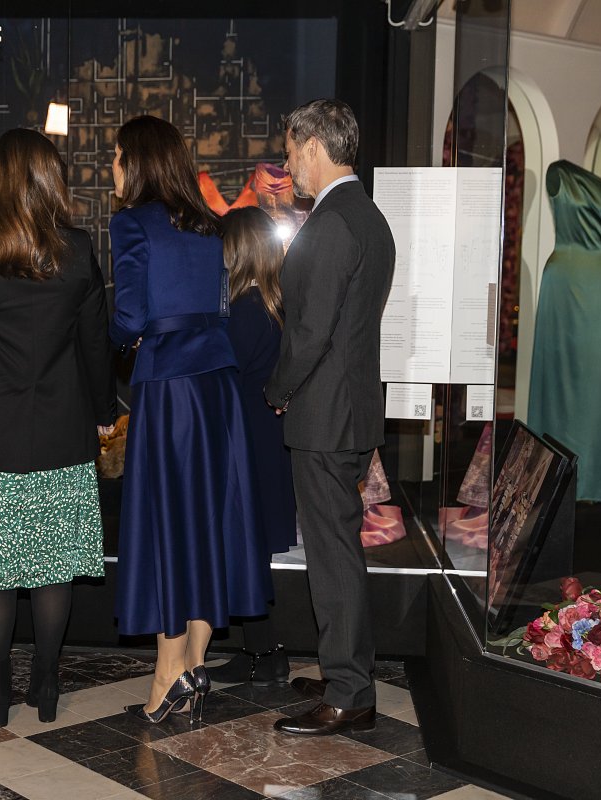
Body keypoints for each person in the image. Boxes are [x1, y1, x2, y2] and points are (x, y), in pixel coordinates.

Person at [0, 129, 116, 728]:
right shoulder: (80, 250)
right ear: (50, 178)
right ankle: (46, 683)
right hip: (62, 428)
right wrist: (101, 413)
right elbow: (95, 345)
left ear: (0, 180)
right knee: (53, 566)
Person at [110, 115, 272, 724]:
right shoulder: (209, 224)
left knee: (164, 525)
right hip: (218, 388)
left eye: (119, 156)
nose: (115, 168)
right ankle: (195, 667)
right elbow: (220, 306)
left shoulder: (131, 223)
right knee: (207, 519)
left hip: (170, 385)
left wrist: (114, 339)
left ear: (140, 160)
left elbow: (128, 317)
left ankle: (165, 677)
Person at [265, 99, 396, 736]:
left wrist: (277, 389)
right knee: (338, 551)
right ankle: (347, 673)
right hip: (350, 410)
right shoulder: (366, 216)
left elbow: (310, 331)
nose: (288, 165)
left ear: (316, 145)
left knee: (333, 556)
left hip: (324, 414)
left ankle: (349, 694)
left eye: (291, 151)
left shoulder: (333, 222)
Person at [207, 206, 296, 686]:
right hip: (264, 441)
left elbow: (224, 375)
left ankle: (266, 652)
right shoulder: (271, 303)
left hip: (247, 445)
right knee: (250, 548)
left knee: (244, 546)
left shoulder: (243, 311)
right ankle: (262, 650)